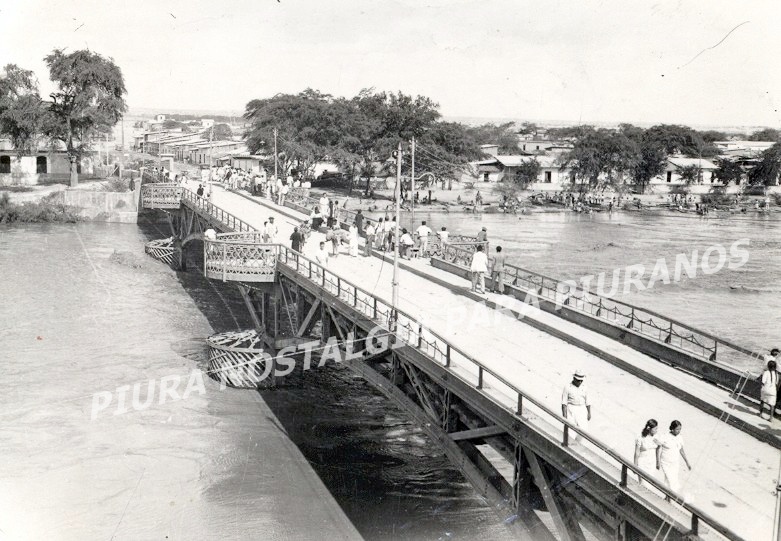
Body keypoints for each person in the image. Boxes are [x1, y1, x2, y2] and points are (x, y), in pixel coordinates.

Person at [655, 420, 691, 496]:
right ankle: (671, 496)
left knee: (671, 480)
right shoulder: (664, 436)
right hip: (665, 462)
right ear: (672, 428)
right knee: (670, 479)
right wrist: (657, 462)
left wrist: (687, 462)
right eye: (677, 429)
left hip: (675, 463)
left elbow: (681, 450)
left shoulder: (680, 437)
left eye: (680, 429)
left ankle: (667, 497)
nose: (679, 431)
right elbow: (658, 449)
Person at [561, 370, 591, 441]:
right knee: (570, 431)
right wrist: (564, 416)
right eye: (578, 380)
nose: (580, 382)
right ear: (574, 378)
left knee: (584, 430)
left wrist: (589, 412)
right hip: (571, 409)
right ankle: (569, 444)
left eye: (581, 381)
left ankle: (577, 444)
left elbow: (588, 401)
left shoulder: (585, 387)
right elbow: (564, 403)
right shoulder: (567, 387)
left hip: (582, 409)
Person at [634, 419, 659, 484]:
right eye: (655, 429)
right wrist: (635, 465)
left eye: (657, 428)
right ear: (649, 428)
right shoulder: (641, 437)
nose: (656, 430)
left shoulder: (656, 437)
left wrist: (657, 462)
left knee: (650, 483)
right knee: (643, 483)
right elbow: (637, 452)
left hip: (652, 463)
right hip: (642, 463)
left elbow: (658, 449)